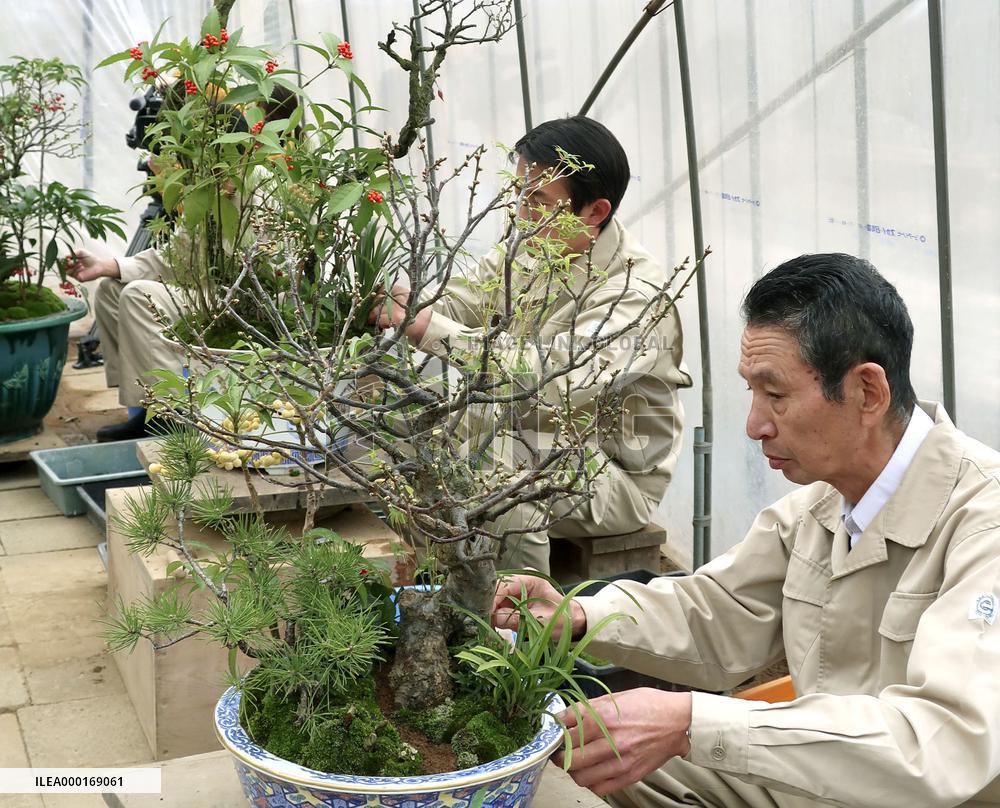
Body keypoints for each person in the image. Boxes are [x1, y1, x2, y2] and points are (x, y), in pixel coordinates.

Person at [493, 253, 1000, 807]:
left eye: (775, 395)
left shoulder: (983, 524)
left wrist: (694, 723)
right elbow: (714, 611)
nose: (755, 425)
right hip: (821, 779)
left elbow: (938, 744)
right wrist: (578, 615)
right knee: (583, 754)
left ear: (867, 392)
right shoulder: (820, 507)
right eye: (751, 393)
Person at [371, 115, 692, 573]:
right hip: (526, 433)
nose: (519, 213)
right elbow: (470, 297)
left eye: (536, 200)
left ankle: (519, 630)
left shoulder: (634, 295)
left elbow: (553, 381)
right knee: (404, 437)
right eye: (518, 194)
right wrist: (411, 302)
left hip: (611, 472)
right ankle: (443, 592)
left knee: (495, 474)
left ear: (595, 212)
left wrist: (431, 330)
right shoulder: (533, 242)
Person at [67, 89, 298, 442]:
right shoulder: (209, 190)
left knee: (140, 297)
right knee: (112, 293)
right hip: (210, 289)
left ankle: (177, 413)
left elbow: (266, 270)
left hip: (247, 301)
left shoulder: (260, 186)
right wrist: (106, 266)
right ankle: (146, 408)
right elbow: (179, 258)